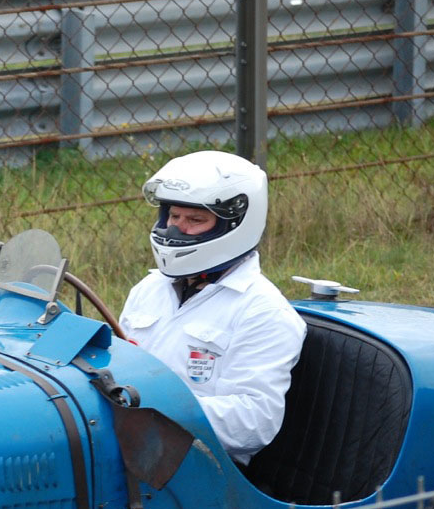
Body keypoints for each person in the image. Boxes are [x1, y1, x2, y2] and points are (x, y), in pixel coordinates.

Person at [121, 150, 306, 465]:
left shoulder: (263, 312)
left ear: (232, 225)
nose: (177, 229)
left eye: (195, 220)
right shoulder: (149, 289)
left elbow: (253, 422)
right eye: (174, 216)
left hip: (200, 465)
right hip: (130, 445)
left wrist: (152, 408)